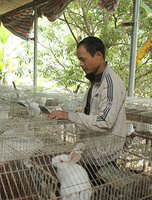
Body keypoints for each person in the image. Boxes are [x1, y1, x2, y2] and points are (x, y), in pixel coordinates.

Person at [48, 36, 127, 186]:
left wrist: (68, 115)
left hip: (105, 155)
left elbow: (104, 121)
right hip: (92, 151)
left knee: (102, 190)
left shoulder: (110, 84)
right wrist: (80, 147)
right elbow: (89, 117)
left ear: (98, 56)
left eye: (83, 59)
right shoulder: (95, 84)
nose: (81, 64)